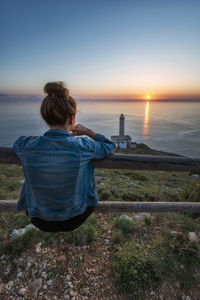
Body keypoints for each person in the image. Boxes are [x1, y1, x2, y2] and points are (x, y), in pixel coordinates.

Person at [12, 81, 116, 232]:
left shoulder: (27, 146)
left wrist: (38, 139)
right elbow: (110, 145)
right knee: (86, 163)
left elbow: (17, 143)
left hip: (38, 218)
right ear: (72, 119)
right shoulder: (82, 145)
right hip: (74, 218)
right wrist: (88, 132)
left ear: (45, 117)